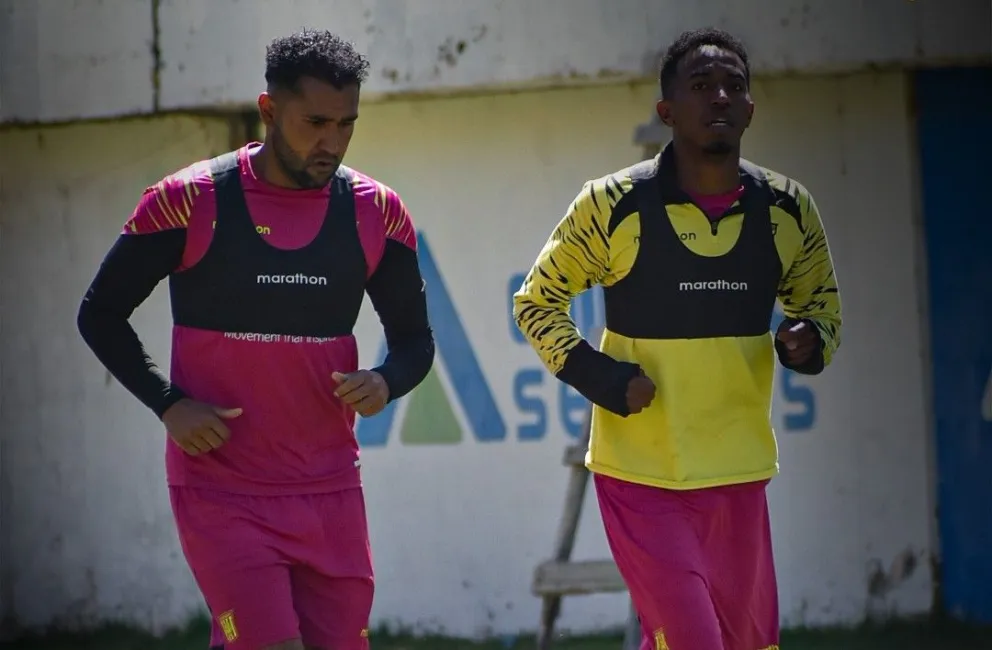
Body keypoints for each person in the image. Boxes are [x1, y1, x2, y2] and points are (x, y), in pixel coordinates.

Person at [77, 29, 434, 650]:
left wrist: (385, 380)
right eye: (315, 122)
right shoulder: (186, 201)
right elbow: (99, 312)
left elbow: (415, 341)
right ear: (268, 110)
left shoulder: (377, 212)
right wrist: (168, 404)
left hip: (330, 491)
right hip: (221, 490)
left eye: (347, 124)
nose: (333, 142)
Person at [513, 28, 842, 650]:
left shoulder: (789, 209)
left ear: (750, 108)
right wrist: (604, 378)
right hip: (642, 477)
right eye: (700, 86)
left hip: (739, 474)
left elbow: (821, 309)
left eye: (734, 86)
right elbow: (537, 302)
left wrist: (810, 341)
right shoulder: (610, 204)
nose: (719, 96)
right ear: (667, 111)